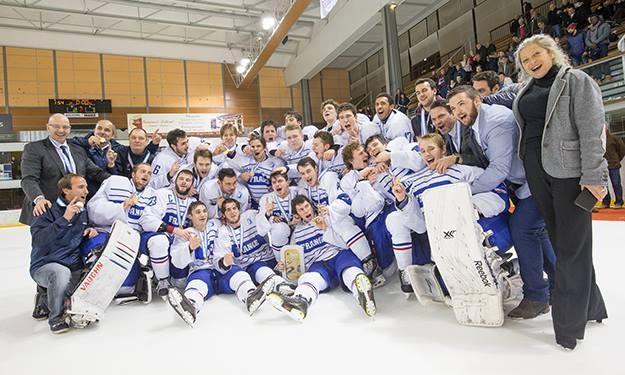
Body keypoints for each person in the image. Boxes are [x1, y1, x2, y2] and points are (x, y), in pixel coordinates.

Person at [512, 34, 608, 349]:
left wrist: (594, 175)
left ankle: (567, 327)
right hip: (538, 175)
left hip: (570, 175)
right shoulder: (526, 89)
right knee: (563, 242)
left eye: (536, 54)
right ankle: (593, 306)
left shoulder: (576, 81)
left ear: (551, 52)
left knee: (571, 249)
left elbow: (593, 129)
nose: (531, 62)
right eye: (525, 60)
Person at [442, 85, 557, 322]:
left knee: (522, 229)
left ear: (477, 101)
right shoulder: (474, 125)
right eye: (453, 108)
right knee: (537, 234)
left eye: (461, 104)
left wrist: (464, 192)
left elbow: (498, 169)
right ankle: (558, 287)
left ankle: (537, 296)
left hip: (538, 182)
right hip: (525, 185)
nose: (457, 111)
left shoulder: (496, 121)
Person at [266, 195, 376, 321]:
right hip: (319, 265)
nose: (306, 211)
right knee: (307, 278)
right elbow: (298, 260)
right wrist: (285, 266)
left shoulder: (328, 218)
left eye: (306, 206)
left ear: (311, 206)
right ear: (297, 214)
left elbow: (345, 243)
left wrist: (325, 229)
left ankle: (362, 294)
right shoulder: (297, 233)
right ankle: (301, 302)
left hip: (339, 254)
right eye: (301, 210)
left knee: (349, 270)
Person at [165, 201, 274, 326]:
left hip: (222, 271)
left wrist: (224, 262)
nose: (202, 214)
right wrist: (189, 247)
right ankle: (190, 306)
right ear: (190, 216)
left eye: (204, 211)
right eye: (198, 212)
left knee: (239, 274)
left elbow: (222, 247)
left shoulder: (217, 226)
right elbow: (176, 262)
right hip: (201, 271)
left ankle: (250, 296)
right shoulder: (185, 234)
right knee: (197, 285)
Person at [29, 174, 98, 333]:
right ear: (66, 190)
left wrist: (89, 229)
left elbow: (78, 233)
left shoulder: (82, 210)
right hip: (45, 266)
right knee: (61, 273)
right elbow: (39, 240)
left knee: (76, 296)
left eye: (86, 187)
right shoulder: (45, 209)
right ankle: (56, 318)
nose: (86, 191)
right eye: (81, 187)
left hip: (73, 266)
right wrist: (65, 219)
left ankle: (45, 300)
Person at [20, 113, 110, 225]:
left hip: (75, 210)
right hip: (48, 210)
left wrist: (119, 181)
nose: (61, 130)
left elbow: (96, 173)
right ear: (48, 127)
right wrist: (39, 199)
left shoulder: (78, 150)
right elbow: (29, 179)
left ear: (70, 129)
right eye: (56, 126)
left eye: (65, 127)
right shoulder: (35, 148)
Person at [139, 169, 197, 295]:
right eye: (181, 179)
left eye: (188, 180)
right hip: (155, 236)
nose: (184, 182)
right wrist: (174, 230)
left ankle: (178, 278)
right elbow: (146, 219)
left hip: (176, 242)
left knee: (180, 283)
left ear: (192, 185)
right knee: (160, 241)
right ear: (174, 181)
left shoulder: (193, 203)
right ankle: (162, 280)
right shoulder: (162, 194)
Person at [599, 128, 625, 209]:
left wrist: (617, 159)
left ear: (606, 128)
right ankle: (606, 202)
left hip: (614, 165)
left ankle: (619, 202)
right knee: (603, 186)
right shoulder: (598, 140)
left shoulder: (614, 138)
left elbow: (622, 150)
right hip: (602, 166)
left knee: (616, 183)